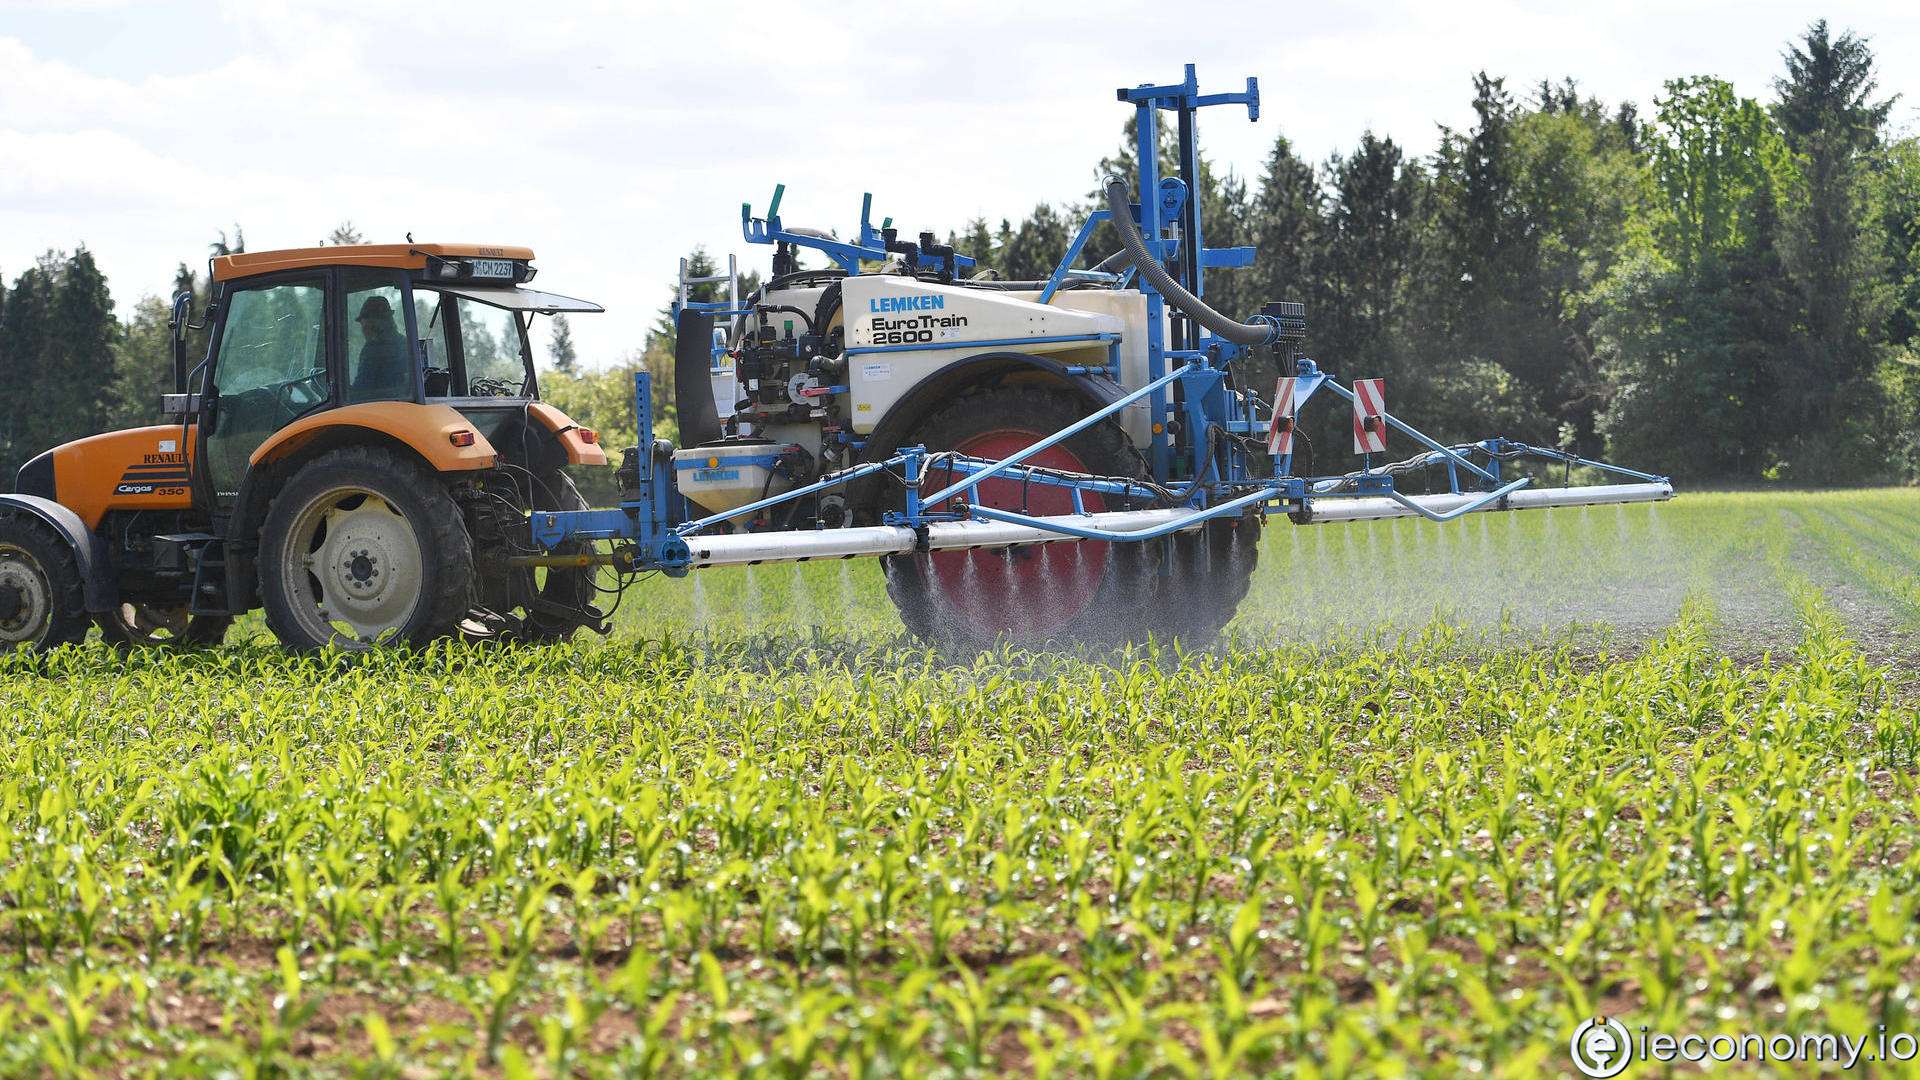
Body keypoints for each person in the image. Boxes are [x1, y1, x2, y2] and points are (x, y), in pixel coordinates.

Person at [352, 295, 413, 400]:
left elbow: (361, 389)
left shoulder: (372, 350)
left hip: (377, 406)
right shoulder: (406, 344)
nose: (363, 331)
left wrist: (346, 392)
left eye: (365, 326)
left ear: (378, 323)